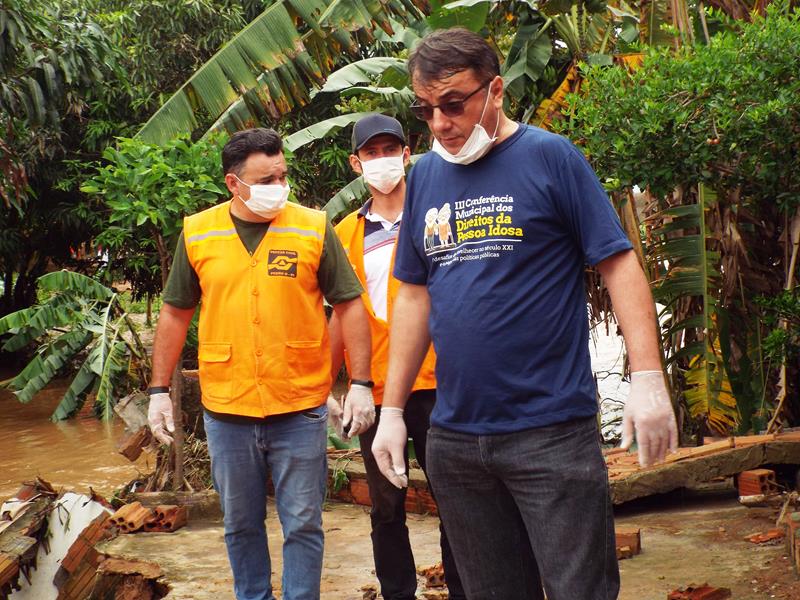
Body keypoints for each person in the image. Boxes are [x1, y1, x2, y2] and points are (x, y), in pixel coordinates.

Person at [370, 28, 679, 600]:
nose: (440, 124)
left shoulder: (549, 157)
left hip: (550, 433)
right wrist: (392, 409)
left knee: (577, 590)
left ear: (496, 91)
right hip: (457, 440)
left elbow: (618, 264)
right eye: (427, 109)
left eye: (454, 104)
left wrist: (648, 379)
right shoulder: (428, 177)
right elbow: (413, 294)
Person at [146, 127, 375, 600]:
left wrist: (359, 383)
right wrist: (156, 392)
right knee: (240, 525)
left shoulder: (312, 226)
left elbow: (349, 304)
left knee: (304, 524)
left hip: (299, 407)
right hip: (227, 411)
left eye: (282, 176)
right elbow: (174, 313)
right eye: (265, 179)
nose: (278, 187)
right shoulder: (199, 232)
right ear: (233, 183)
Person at [327, 114, 465, 600]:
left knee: (456, 500)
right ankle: (397, 593)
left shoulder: (438, 214)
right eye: (371, 152)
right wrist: (332, 388)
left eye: (391, 149)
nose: (382, 159)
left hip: (442, 385)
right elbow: (342, 315)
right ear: (356, 162)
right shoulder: (345, 232)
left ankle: (464, 589)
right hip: (377, 390)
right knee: (386, 507)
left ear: (407, 154)